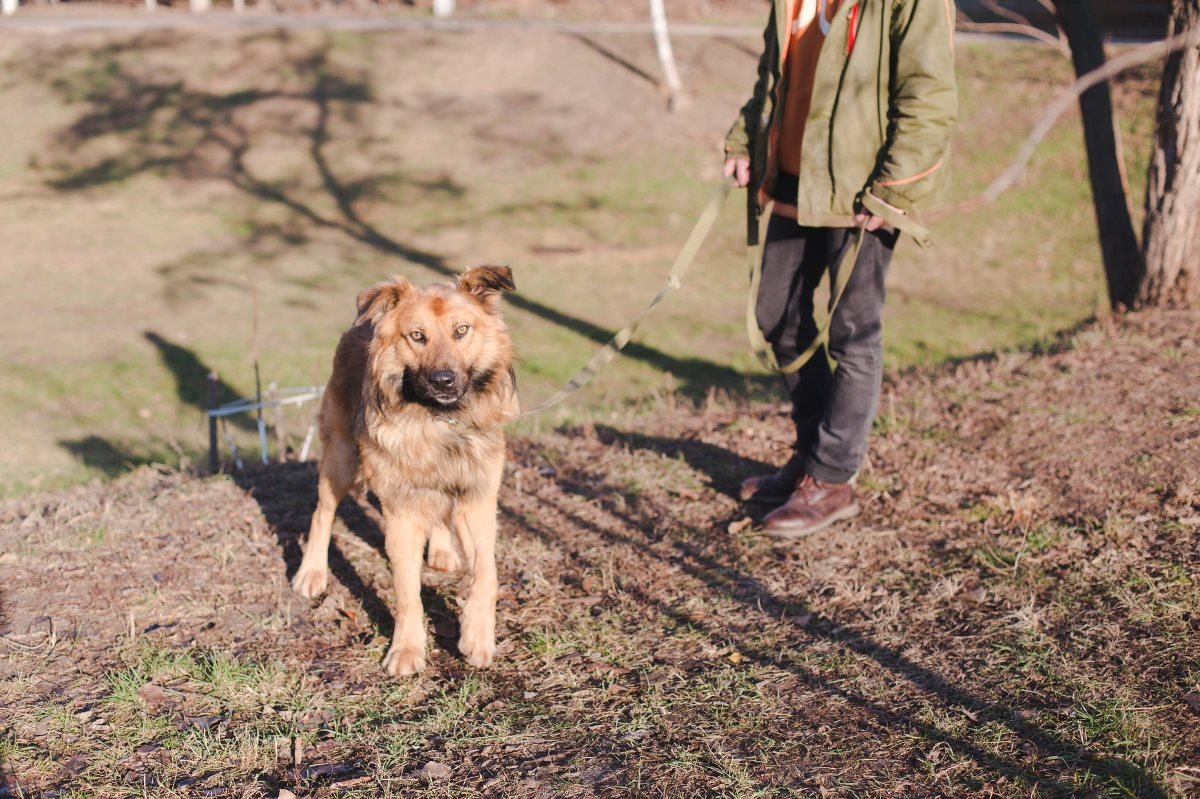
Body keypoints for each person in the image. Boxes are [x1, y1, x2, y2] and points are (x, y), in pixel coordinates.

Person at [724, 0, 956, 537]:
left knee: (853, 331)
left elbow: (929, 95)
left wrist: (892, 190)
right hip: (792, 180)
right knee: (776, 315)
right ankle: (809, 454)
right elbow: (771, 76)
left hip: (863, 192)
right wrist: (744, 139)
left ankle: (831, 479)